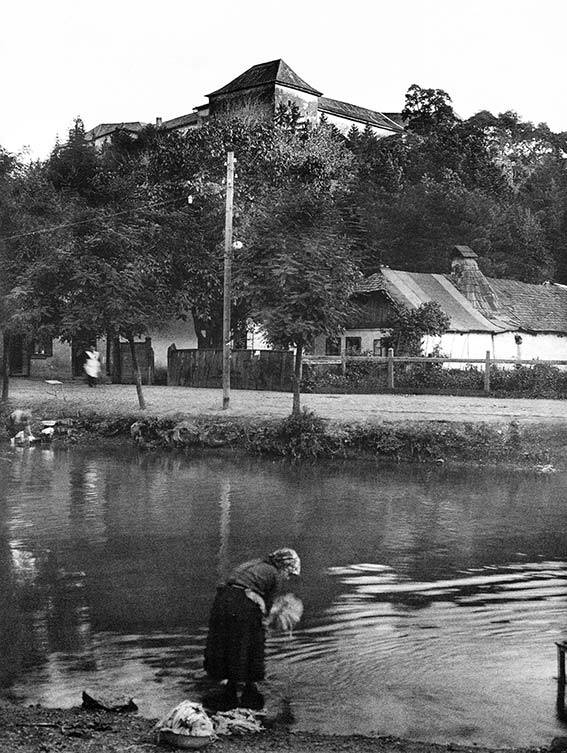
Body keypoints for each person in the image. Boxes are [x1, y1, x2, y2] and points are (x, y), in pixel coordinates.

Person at [204, 548, 301, 710]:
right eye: (289, 574)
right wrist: (268, 622)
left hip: (222, 600)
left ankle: (229, 686)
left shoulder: (255, 563)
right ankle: (250, 686)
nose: (288, 578)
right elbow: (266, 609)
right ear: (284, 567)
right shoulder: (274, 575)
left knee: (225, 642)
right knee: (253, 644)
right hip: (243, 603)